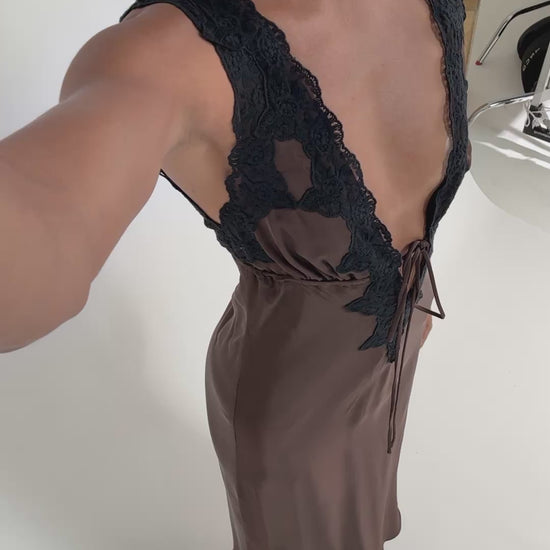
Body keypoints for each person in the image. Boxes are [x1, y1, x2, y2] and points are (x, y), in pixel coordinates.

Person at [0, 0, 471, 548]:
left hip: (390, 361)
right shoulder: (164, 57)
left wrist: (409, 307)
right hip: (293, 412)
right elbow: (41, 241)